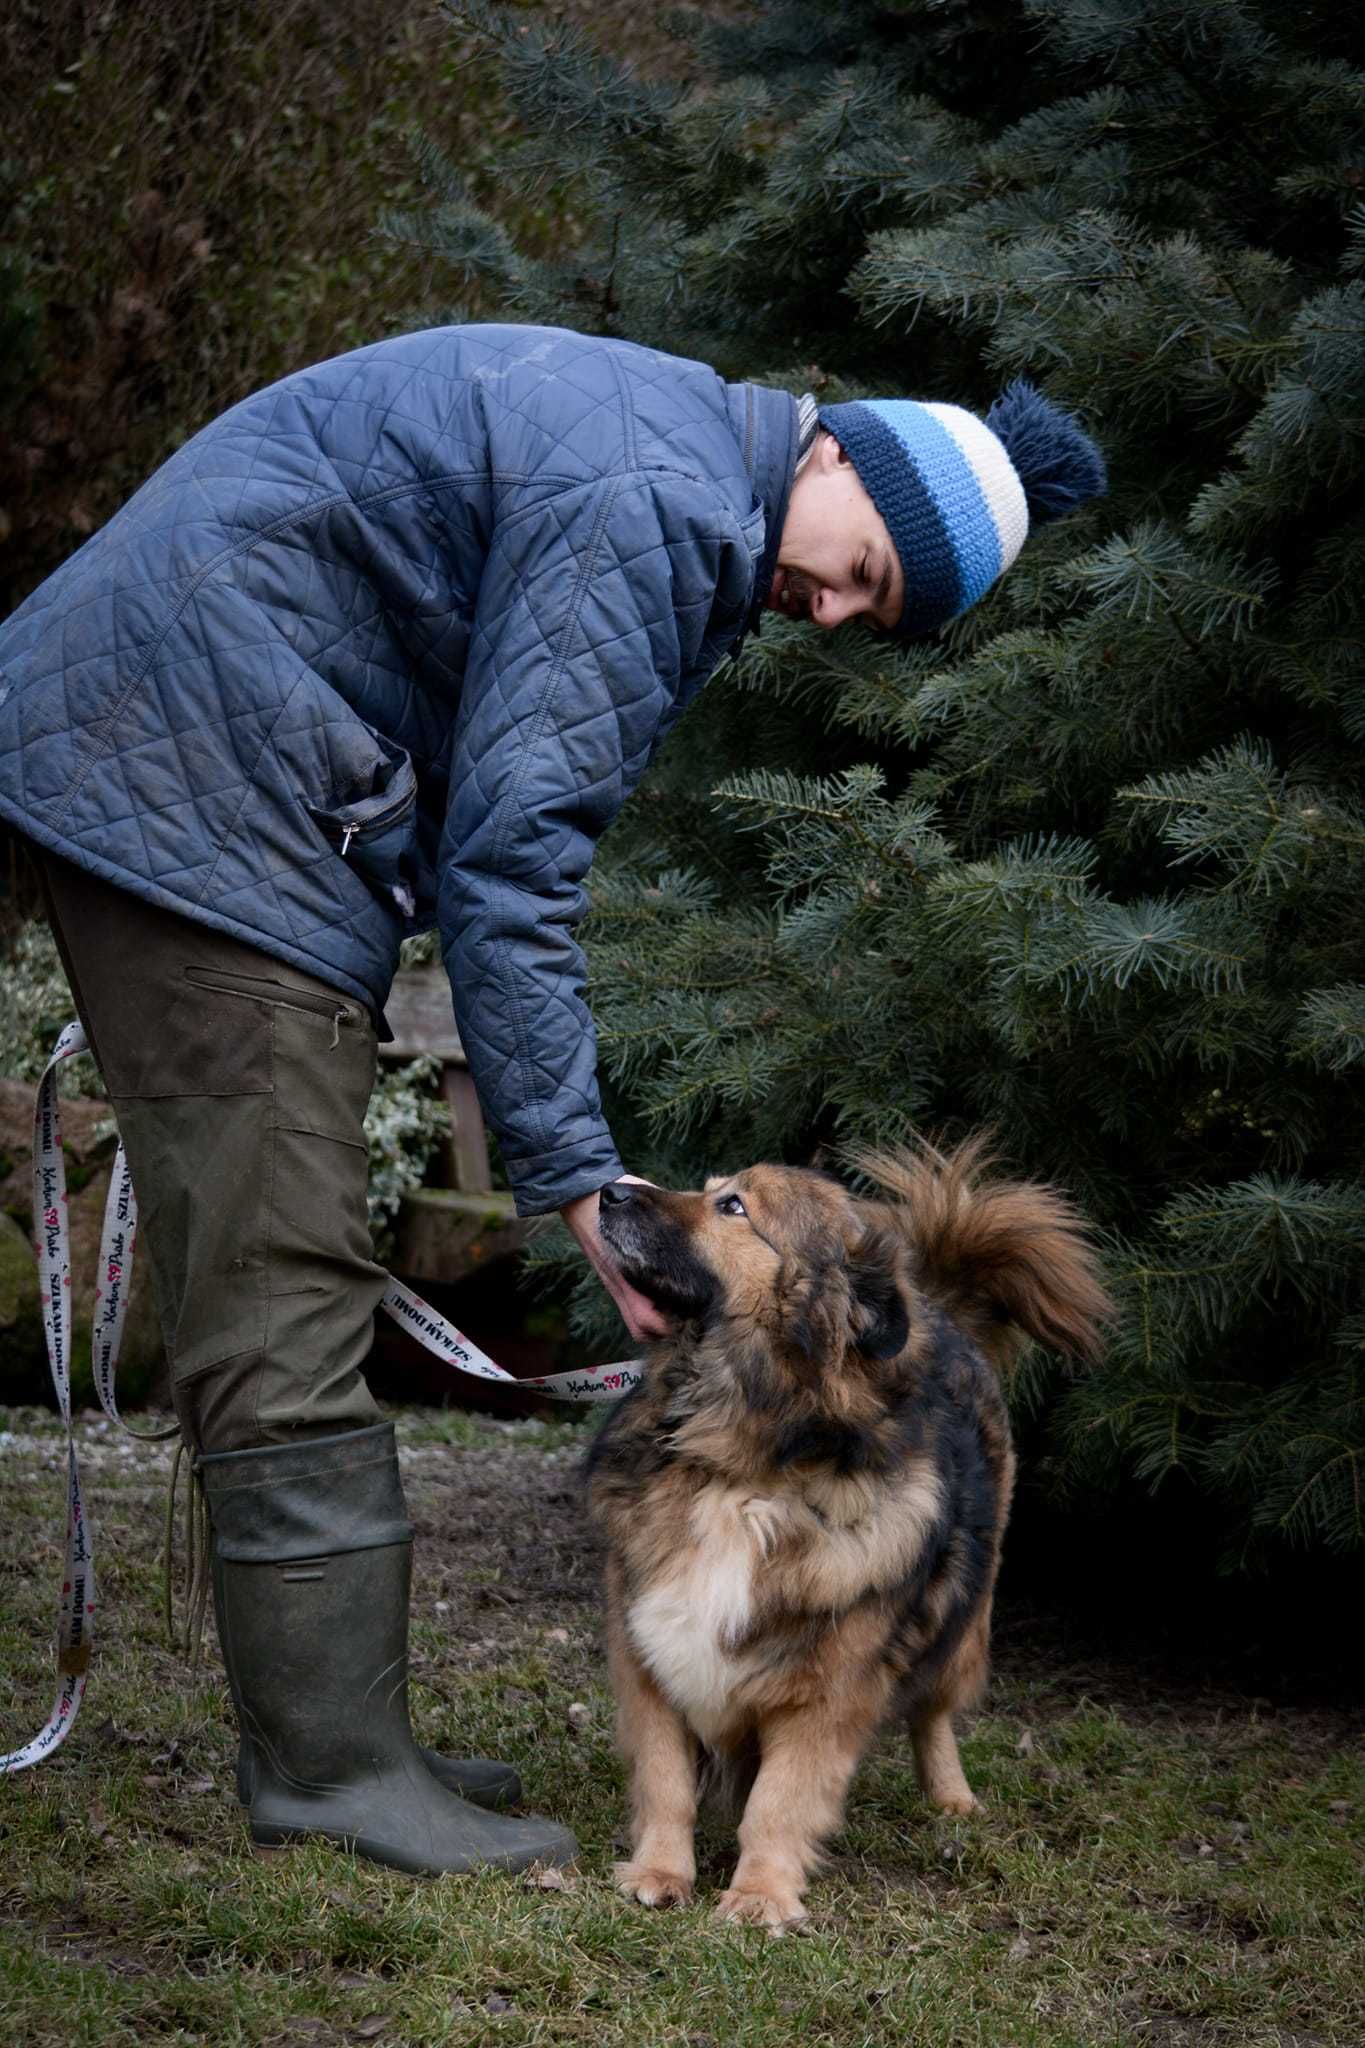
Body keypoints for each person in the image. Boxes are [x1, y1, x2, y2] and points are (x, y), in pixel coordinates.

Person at [0, 323, 1104, 1875]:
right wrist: (583, 1181)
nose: (835, 609)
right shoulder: (657, 501)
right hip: (193, 775)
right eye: (861, 568)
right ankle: (329, 1771)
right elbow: (513, 865)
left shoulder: (671, 462)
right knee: (285, 1281)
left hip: (189, 748)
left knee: (287, 1261)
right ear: (843, 454)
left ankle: (335, 1731)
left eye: (871, 615)